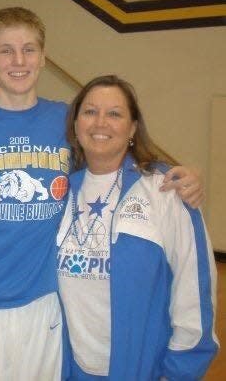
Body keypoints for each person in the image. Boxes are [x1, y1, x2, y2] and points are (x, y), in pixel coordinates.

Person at [0, 7, 205, 380]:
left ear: (43, 57)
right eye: (6, 50)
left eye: (28, 49)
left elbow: (115, 152)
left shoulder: (68, 121)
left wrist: (179, 175)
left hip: (47, 303)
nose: (18, 60)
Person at [57, 75, 218, 379]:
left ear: (132, 128)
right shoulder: (60, 191)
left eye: (114, 114)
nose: (100, 123)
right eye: (90, 111)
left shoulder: (164, 190)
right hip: (70, 367)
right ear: (76, 125)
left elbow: (194, 291)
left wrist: (179, 372)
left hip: (143, 370)